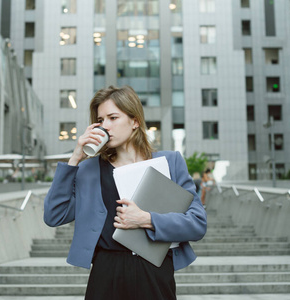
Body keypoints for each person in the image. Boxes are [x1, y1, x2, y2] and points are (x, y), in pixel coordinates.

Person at [44, 85, 207, 300]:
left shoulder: (169, 162)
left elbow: (197, 223)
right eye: (100, 120)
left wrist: (146, 219)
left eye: (113, 117)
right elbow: (54, 215)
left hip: (154, 269)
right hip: (106, 271)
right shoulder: (89, 170)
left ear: (135, 121)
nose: (105, 127)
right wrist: (74, 160)